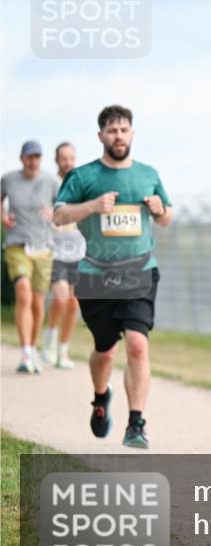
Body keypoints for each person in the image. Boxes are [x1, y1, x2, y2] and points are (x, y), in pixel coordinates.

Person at [53, 105, 173, 449]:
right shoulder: (84, 176)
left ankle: (136, 423)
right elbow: (59, 215)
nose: (118, 136)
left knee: (137, 344)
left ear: (131, 133)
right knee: (105, 352)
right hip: (95, 275)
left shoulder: (148, 174)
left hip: (140, 271)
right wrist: (91, 206)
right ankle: (101, 396)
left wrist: (159, 210)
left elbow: (166, 217)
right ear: (101, 136)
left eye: (123, 130)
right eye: (112, 130)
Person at [2, 140, 59, 374]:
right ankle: (26, 352)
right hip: (16, 243)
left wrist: (54, 212)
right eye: (29, 157)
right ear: (22, 158)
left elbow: (64, 206)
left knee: (37, 301)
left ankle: (33, 348)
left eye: (37, 157)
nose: (33, 161)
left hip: (43, 246)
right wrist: (2, 215)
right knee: (23, 292)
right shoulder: (8, 179)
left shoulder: (50, 181)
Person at [41, 142, 86, 369]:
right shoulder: (50, 185)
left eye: (71, 158)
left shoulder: (81, 184)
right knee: (61, 298)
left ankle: (63, 351)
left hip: (79, 252)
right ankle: (49, 336)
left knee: (74, 305)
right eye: (63, 158)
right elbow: (42, 212)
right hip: (56, 251)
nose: (67, 162)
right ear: (56, 160)